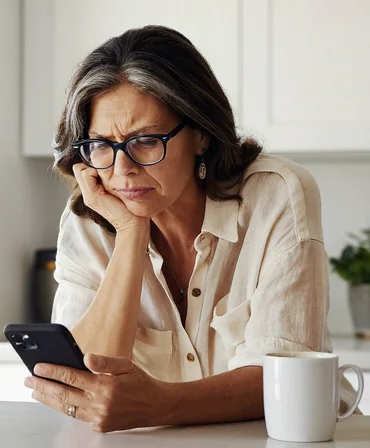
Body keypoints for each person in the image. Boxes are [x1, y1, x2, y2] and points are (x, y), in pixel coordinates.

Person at [22, 25, 349, 433]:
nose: (122, 171)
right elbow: (86, 385)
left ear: (201, 135)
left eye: (145, 140)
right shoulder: (89, 216)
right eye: (102, 144)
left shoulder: (275, 195)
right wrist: (130, 231)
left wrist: (161, 405)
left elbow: (286, 378)